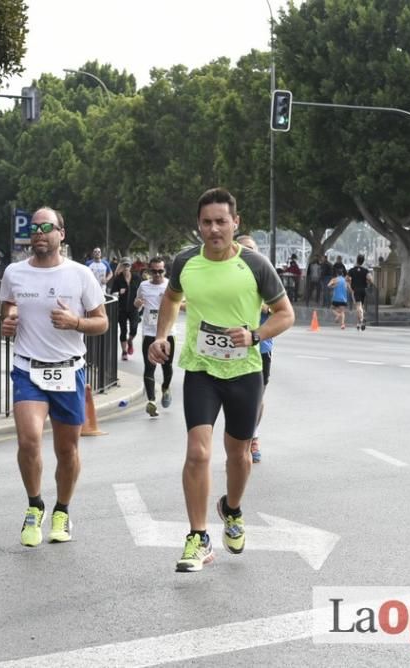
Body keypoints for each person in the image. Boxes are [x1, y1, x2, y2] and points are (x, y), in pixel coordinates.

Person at [149, 187, 294, 573]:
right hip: (201, 369)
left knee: (238, 455)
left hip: (244, 372)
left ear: (236, 222)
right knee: (198, 451)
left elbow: (285, 314)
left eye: (221, 222)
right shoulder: (184, 262)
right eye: (206, 222)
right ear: (199, 225)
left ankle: (231, 508)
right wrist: (162, 337)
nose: (214, 229)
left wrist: (255, 335)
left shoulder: (256, 264)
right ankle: (198, 536)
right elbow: (171, 300)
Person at [0, 207, 108, 548]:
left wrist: (75, 322)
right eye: (34, 228)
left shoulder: (80, 275)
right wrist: (8, 324)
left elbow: (101, 322)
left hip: (67, 370)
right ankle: (35, 506)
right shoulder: (14, 273)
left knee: (67, 449)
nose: (39, 232)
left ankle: (62, 509)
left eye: (47, 227)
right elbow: (8, 311)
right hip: (28, 368)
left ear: (62, 233)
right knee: (29, 439)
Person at [236, 236, 273, 464]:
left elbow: (279, 308)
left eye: (252, 249)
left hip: (261, 347)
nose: (248, 253)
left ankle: (253, 437)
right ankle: (238, 442)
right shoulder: (229, 275)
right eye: (244, 249)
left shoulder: (265, 275)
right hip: (233, 349)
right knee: (236, 399)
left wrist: (263, 305)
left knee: (257, 397)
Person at [134, 256, 176, 417]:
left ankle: (165, 387)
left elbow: (182, 304)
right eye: (154, 271)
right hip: (150, 333)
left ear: (165, 271)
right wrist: (137, 304)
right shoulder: (144, 286)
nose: (157, 275)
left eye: (160, 271)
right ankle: (151, 401)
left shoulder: (171, 286)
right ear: (149, 271)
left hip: (167, 334)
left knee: (167, 366)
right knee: (149, 367)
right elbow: (137, 303)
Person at [111, 259, 141, 361]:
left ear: (131, 266)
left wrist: (141, 303)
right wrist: (119, 292)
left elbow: (141, 291)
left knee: (134, 328)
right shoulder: (118, 279)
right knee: (123, 330)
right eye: (124, 265)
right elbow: (113, 294)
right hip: (122, 309)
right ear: (122, 266)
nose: (126, 267)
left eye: (128, 265)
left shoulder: (136, 277)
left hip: (134, 308)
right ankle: (124, 352)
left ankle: (130, 340)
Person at [347, 254, 372, 331]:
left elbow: (347, 279)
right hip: (363, 290)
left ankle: (362, 319)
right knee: (361, 306)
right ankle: (358, 324)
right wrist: (368, 284)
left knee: (358, 306)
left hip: (355, 290)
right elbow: (370, 279)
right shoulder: (365, 270)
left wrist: (350, 288)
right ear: (363, 261)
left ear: (356, 260)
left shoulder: (351, 270)